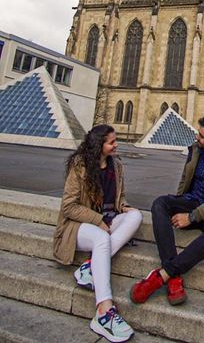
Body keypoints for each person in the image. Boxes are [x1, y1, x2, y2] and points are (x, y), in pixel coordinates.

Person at [130, 116, 204, 306]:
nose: (196, 137)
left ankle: (164, 274)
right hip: (191, 202)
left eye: (201, 135)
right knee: (160, 203)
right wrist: (180, 205)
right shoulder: (196, 150)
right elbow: (185, 181)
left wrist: (192, 217)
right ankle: (174, 277)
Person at [53, 124, 142, 343]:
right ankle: (104, 311)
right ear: (99, 145)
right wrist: (98, 219)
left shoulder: (116, 166)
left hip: (106, 220)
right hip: (77, 226)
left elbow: (118, 199)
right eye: (112, 142)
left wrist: (125, 208)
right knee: (102, 238)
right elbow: (68, 207)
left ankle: (90, 267)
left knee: (136, 216)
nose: (116, 144)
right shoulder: (80, 166)